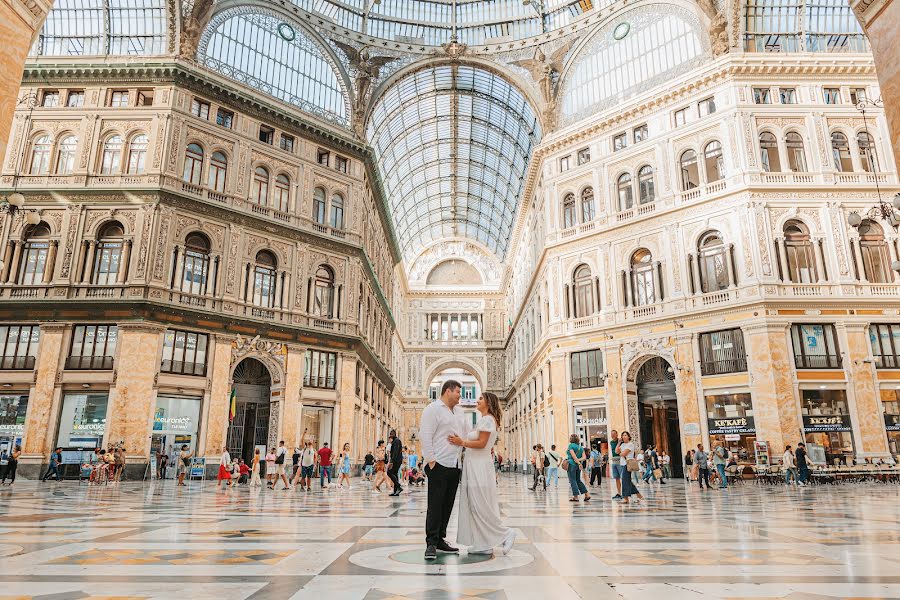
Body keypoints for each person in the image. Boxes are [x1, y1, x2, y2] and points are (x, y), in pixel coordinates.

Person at [450, 391, 516, 556]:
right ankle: (484, 543)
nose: (477, 400)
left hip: (479, 467)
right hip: (475, 465)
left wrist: (462, 442)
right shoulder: (484, 420)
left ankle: (506, 533)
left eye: (480, 398)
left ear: (488, 402)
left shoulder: (487, 420)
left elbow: (482, 443)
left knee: (481, 505)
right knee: (476, 505)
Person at [420, 379, 467, 560]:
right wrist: (431, 461)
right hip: (439, 464)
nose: (460, 396)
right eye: (458, 392)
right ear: (448, 391)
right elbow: (425, 435)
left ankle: (441, 539)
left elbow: (464, 434)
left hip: (455, 465)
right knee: (435, 505)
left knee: (448, 505)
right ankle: (431, 543)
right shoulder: (432, 409)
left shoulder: (460, 412)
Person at [618, 432, 643, 505]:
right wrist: (619, 443)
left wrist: (620, 453)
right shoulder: (622, 445)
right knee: (628, 480)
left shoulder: (630, 444)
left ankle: (626, 498)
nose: (624, 437)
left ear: (629, 437)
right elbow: (616, 451)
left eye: (625, 435)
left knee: (624, 480)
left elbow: (623, 454)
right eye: (622, 435)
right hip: (622, 463)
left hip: (628, 464)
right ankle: (639, 495)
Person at [565, 434, 590, 502]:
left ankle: (575, 497)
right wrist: (579, 462)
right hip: (578, 466)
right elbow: (584, 457)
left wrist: (577, 461)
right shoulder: (580, 447)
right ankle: (587, 494)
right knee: (578, 480)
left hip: (571, 465)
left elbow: (573, 455)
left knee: (572, 480)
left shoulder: (571, 445)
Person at [387, 429, 403, 496]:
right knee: (395, 474)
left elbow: (395, 453)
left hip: (396, 461)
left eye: (391, 434)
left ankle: (398, 486)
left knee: (389, 472)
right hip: (397, 460)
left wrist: (391, 462)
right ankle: (396, 491)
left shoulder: (396, 441)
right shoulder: (395, 441)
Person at [610, 430, 623, 500]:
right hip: (614, 461)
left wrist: (619, 442)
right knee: (616, 478)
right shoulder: (611, 442)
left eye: (614, 434)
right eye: (611, 434)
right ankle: (619, 493)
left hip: (620, 460)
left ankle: (625, 493)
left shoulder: (621, 441)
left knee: (623, 477)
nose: (612, 435)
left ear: (617, 434)